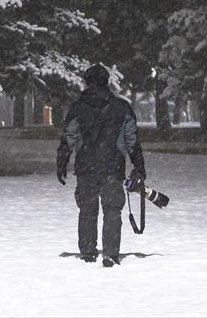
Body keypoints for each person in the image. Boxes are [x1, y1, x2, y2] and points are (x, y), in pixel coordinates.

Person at [56, 64, 146, 267]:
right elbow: (132, 140)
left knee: (87, 210)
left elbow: (69, 137)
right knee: (112, 210)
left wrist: (62, 160)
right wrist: (138, 165)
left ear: (87, 82)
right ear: (107, 82)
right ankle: (110, 253)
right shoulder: (121, 108)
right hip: (113, 168)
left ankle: (88, 252)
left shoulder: (78, 108)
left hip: (86, 168)